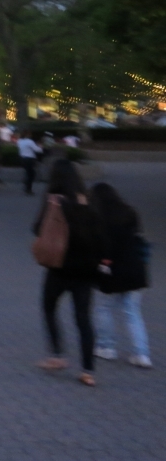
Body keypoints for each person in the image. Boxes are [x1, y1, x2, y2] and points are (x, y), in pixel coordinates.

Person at [33, 159, 108, 387]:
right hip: (86, 270)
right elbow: (101, 236)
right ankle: (88, 371)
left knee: (48, 307)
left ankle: (57, 355)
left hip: (59, 268)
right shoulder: (89, 201)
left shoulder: (54, 201)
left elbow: (37, 229)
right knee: (83, 319)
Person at [90, 183, 152, 368]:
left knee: (104, 309)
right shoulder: (130, 212)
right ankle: (142, 353)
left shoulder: (97, 217)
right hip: (135, 268)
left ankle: (106, 347)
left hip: (111, 270)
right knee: (133, 312)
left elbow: (99, 245)